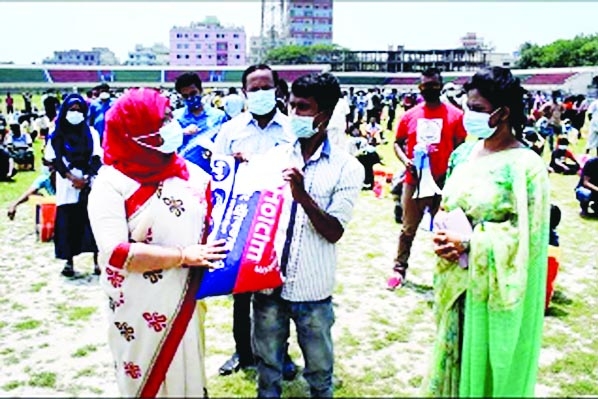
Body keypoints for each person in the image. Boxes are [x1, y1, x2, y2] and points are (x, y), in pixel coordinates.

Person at [87, 88, 228, 397]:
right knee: (148, 378)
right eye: (162, 119)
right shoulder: (111, 184)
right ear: (135, 130)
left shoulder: (188, 174)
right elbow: (115, 252)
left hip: (186, 297)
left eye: (169, 116)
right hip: (138, 308)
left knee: (189, 369)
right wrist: (181, 256)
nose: (172, 124)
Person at [426, 66, 550, 397]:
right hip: (454, 282)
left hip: (489, 292)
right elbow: (448, 204)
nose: (469, 116)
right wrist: (442, 232)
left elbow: (529, 239)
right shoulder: (465, 154)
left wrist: (471, 243)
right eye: (468, 107)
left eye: (478, 110)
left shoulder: (526, 167)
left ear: (503, 113)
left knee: (482, 376)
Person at [252, 72, 364, 398]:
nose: (293, 114)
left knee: (319, 372)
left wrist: (302, 196)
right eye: (291, 105)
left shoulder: (347, 167)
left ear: (324, 116)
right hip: (269, 283)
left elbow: (334, 231)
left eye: (303, 108)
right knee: (268, 368)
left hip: (312, 289)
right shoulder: (274, 158)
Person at [212, 64, 298, 379]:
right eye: (254, 88)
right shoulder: (231, 130)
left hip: (278, 219)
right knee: (241, 291)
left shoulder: (291, 130)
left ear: (277, 89)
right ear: (244, 92)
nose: (260, 93)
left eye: (266, 87)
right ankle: (242, 351)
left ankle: (280, 353)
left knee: (276, 290)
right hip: (240, 221)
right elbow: (217, 176)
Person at [388, 68, 467, 290]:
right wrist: (405, 161)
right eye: (425, 86)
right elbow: (397, 143)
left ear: (440, 86)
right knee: (408, 229)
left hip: (443, 183)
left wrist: (454, 173)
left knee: (444, 230)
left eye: (433, 85)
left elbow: (461, 147)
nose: (429, 89)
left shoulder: (455, 115)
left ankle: (447, 273)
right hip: (414, 181)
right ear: (419, 88)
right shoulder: (409, 115)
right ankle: (399, 269)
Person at [45, 93, 102, 277]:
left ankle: (96, 262)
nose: (75, 113)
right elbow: (53, 159)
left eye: (78, 110)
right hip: (67, 185)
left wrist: (85, 178)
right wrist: (71, 177)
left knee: (92, 222)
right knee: (68, 223)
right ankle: (69, 262)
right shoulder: (57, 134)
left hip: (88, 184)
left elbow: (96, 157)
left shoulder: (91, 133)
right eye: (71, 110)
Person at [173, 72, 228, 150]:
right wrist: (182, 132)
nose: (190, 98)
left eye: (193, 93)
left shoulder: (219, 116)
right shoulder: (176, 117)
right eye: (185, 96)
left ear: (201, 90)